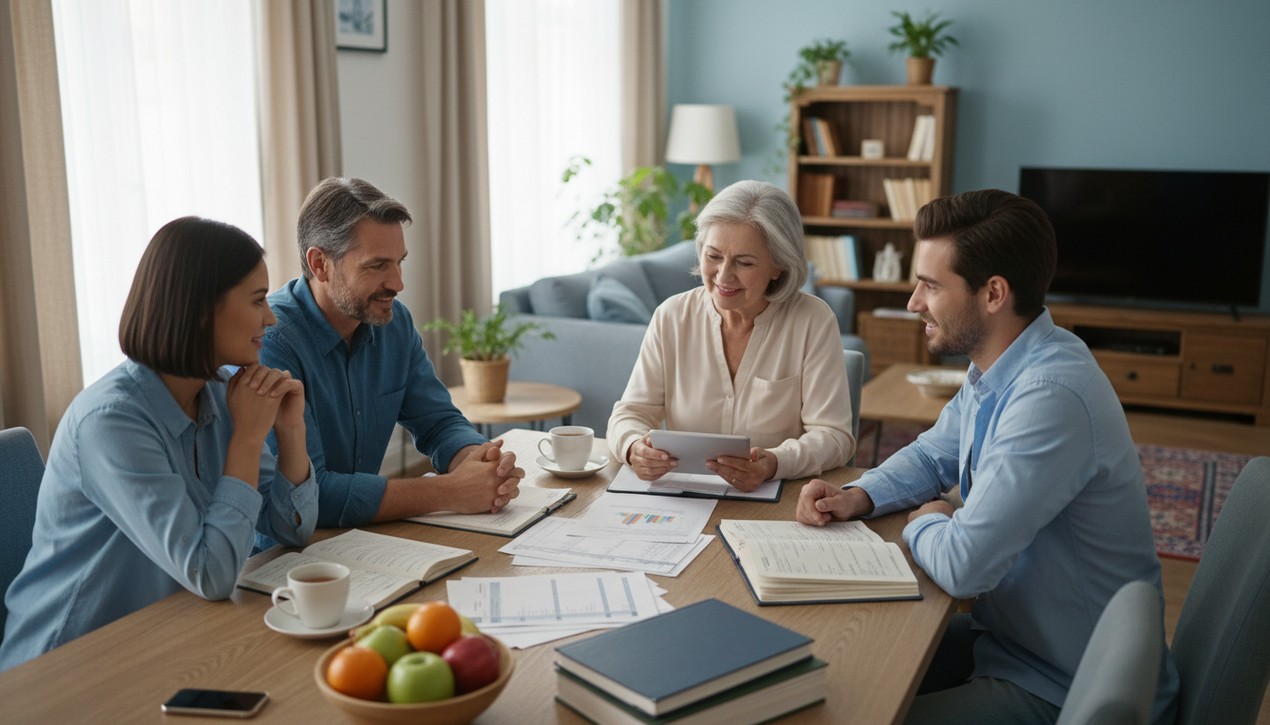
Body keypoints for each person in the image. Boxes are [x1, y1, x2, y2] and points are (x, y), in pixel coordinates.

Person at [796, 189, 1179, 725]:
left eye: (930, 285)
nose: (913, 303)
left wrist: (925, 521)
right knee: (831, 672)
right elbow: (934, 454)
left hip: (1065, 687)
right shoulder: (1001, 366)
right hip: (1012, 642)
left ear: (994, 293)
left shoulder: (1050, 395)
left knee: (853, 706)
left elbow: (964, 567)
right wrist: (859, 495)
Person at [0, 218, 317, 672]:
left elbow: (293, 529)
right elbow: (211, 574)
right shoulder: (111, 423)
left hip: (160, 636)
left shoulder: (222, 392)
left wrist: (290, 431)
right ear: (201, 309)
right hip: (65, 665)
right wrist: (248, 437)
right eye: (257, 300)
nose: (271, 316)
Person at [257, 177, 522, 538]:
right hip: (281, 558)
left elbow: (439, 422)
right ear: (320, 264)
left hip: (362, 540)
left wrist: (480, 462)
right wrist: (450, 491)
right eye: (377, 266)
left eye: (399, 262)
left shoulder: (394, 324)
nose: (398, 283)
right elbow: (311, 493)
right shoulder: (269, 342)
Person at [607, 180, 855, 489]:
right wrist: (633, 448)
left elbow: (834, 437)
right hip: (682, 500)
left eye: (744, 262)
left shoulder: (813, 322)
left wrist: (775, 463)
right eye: (713, 256)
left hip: (776, 502)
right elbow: (630, 413)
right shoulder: (671, 316)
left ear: (778, 266)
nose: (723, 276)